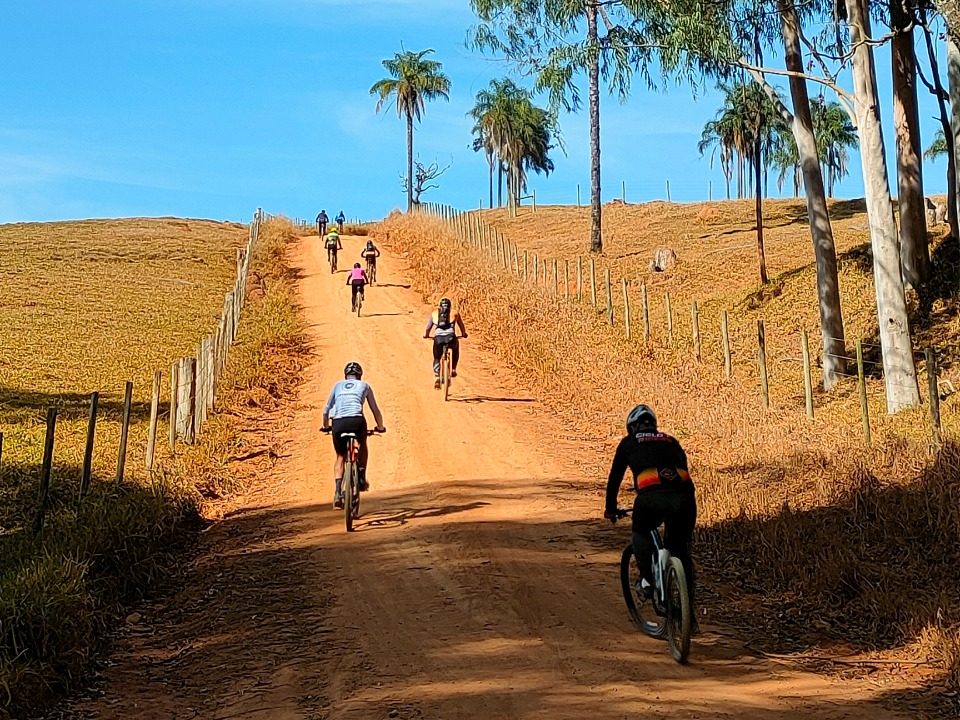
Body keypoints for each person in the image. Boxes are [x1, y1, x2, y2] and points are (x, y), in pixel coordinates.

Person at [604, 404, 698, 621]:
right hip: (684, 498)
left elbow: (615, 478)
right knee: (680, 550)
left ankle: (648, 580)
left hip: (651, 498)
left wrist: (610, 509)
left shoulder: (629, 443)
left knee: (641, 529)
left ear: (632, 428)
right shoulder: (672, 441)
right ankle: (689, 615)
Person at [321, 362, 385, 509]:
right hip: (356, 421)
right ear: (359, 375)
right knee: (363, 446)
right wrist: (380, 427)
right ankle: (361, 477)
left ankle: (338, 492)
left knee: (341, 456)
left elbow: (326, 410)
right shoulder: (365, 386)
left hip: (338, 423)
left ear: (345, 375)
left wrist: (325, 426)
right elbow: (375, 410)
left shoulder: (337, 385)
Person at [423, 298, 468, 389]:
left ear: (440, 306)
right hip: (451, 338)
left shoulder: (434, 313)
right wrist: (463, 334)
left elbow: (428, 328)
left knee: (436, 357)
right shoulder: (455, 313)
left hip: (438, 339)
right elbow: (461, 326)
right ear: (450, 306)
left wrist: (426, 335)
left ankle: (437, 376)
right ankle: (453, 369)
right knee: (455, 348)